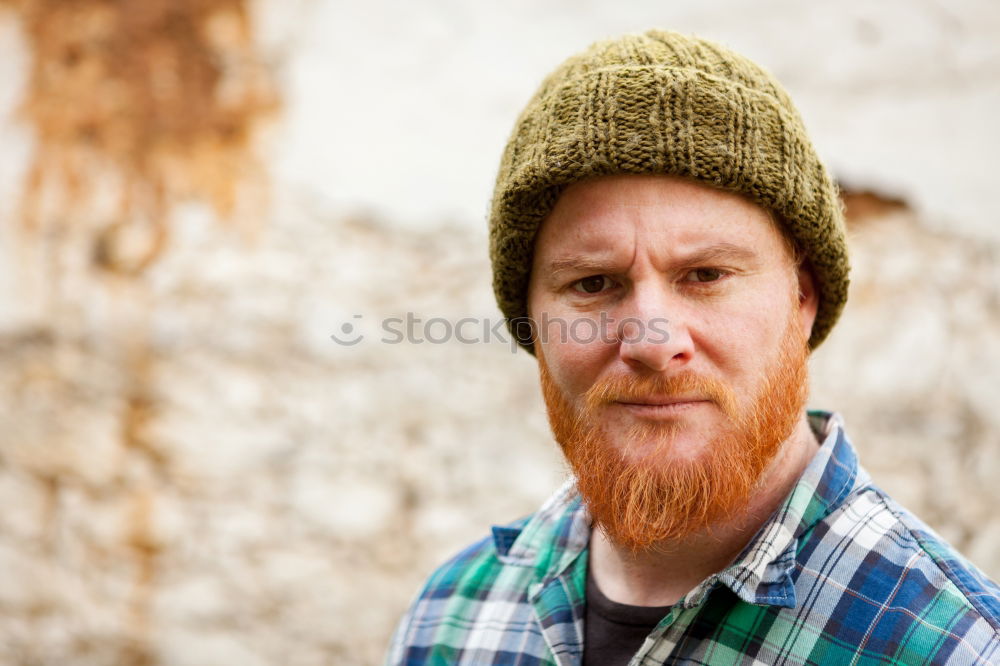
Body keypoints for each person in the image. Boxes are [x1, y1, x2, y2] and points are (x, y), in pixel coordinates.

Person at [386, 29, 1000, 665]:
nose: (652, 343)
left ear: (803, 296)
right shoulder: (451, 619)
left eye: (705, 275)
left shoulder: (955, 647)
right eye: (593, 284)